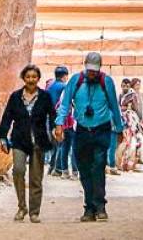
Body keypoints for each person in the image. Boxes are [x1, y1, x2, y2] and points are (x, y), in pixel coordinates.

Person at [53, 52, 125, 222]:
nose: (92, 73)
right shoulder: (75, 81)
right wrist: (59, 124)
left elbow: (114, 106)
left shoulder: (106, 81)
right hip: (82, 131)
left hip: (102, 129)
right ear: (85, 66)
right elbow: (65, 105)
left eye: (95, 70)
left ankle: (100, 206)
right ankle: (89, 207)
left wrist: (120, 129)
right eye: (90, 70)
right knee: (84, 169)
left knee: (98, 166)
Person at [0, 64, 57, 223]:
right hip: (19, 140)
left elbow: (52, 115)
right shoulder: (15, 96)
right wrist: (3, 137)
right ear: (24, 78)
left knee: (36, 178)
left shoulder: (45, 97)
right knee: (18, 170)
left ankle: (34, 212)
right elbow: (7, 117)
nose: (31, 80)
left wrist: (55, 130)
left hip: (39, 141)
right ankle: (22, 207)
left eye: (34, 77)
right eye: (28, 77)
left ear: (38, 78)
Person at [46, 66, 69, 175]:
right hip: (58, 117)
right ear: (65, 76)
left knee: (54, 143)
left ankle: (52, 167)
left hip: (48, 117)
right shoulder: (64, 86)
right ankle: (57, 168)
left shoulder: (50, 86)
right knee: (61, 142)